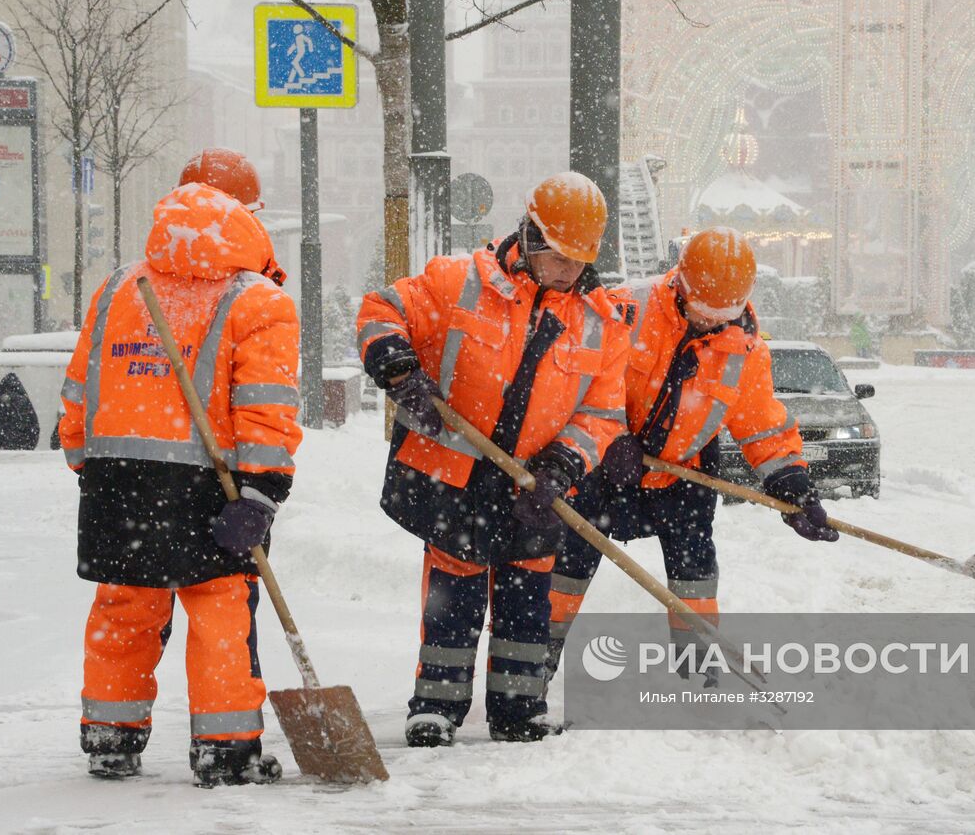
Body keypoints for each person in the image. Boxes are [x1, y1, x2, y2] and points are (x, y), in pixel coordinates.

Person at [357, 171, 630, 747]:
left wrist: (562, 466)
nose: (566, 272)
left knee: (528, 596)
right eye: (556, 257)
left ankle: (518, 708)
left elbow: (602, 415)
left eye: (578, 262)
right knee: (452, 592)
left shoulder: (602, 324)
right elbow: (381, 311)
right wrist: (401, 371)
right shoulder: (458, 281)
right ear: (529, 236)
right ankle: (437, 704)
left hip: (537, 482)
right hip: (458, 473)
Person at [59, 148, 302, 785]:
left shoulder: (120, 286)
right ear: (247, 216)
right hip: (209, 483)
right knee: (220, 607)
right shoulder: (258, 299)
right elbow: (266, 409)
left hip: (115, 476)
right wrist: (263, 490)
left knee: (125, 605)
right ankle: (225, 751)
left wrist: (84, 457)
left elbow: (81, 385)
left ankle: (111, 735)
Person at [546, 227, 838, 679]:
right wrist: (613, 435)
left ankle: (698, 670)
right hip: (600, 470)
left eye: (723, 312)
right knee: (563, 572)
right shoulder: (626, 309)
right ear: (681, 282)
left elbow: (763, 427)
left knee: (695, 579)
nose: (710, 322)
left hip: (684, 477)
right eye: (703, 309)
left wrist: (794, 487)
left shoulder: (745, 352)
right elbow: (578, 380)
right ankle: (534, 662)